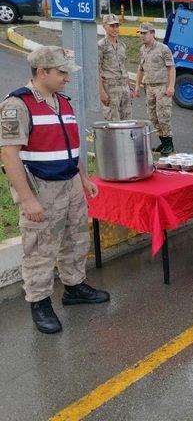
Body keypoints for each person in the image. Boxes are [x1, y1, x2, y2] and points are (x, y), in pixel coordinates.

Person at [0, 46, 110, 334]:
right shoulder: (17, 105)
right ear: (41, 72)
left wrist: (83, 178)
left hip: (70, 183)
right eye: (61, 73)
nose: (66, 78)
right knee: (40, 248)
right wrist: (27, 199)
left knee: (75, 239)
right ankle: (39, 302)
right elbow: (9, 155)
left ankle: (74, 287)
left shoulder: (63, 102)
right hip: (41, 189)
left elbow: (71, 146)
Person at [132, 22, 176, 155]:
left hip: (162, 87)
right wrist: (137, 86)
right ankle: (163, 143)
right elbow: (140, 69)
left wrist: (171, 86)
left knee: (163, 116)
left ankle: (169, 145)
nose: (142, 36)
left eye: (145, 33)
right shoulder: (142, 50)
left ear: (152, 33)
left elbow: (171, 68)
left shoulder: (163, 49)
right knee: (153, 117)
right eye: (141, 33)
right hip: (149, 87)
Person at [98, 13, 132, 121]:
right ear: (104, 26)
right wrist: (101, 92)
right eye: (112, 26)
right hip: (110, 88)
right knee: (113, 122)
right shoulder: (101, 45)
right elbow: (96, 70)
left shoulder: (122, 45)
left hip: (124, 88)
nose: (115, 28)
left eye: (117, 25)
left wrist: (129, 87)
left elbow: (123, 66)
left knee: (127, 121)